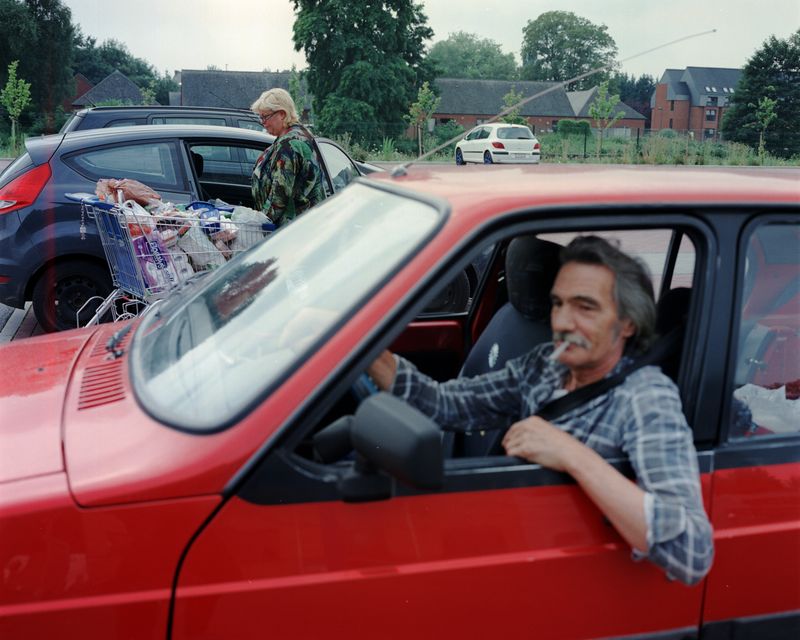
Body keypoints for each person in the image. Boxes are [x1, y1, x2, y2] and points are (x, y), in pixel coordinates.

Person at [368, 235, 714, 585]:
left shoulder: (645, 399)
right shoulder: (547, 365)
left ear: (627, 323)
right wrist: (363, 350)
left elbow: (690, 552)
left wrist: (569, 453)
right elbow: (447, 404)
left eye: (585, 307)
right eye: (558, 304)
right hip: (512, 544)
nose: (562, 322)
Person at [250, 88, 326, 227]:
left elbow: (278, 199)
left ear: (282, 114)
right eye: (260, 117)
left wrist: (255, 224)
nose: (263, 122)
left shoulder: (289, 146)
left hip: (292, 231)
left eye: (265, 117)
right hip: (302, 226)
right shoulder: (298, 135)